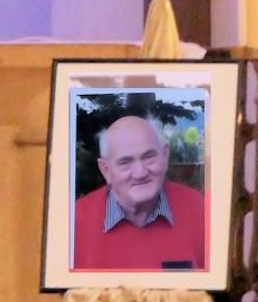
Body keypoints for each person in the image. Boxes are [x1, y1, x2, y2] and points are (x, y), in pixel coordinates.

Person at [72, 114, 208, 271]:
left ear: (165, 156)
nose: (140, 173)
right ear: (106, 170)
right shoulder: (74, 223)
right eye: (125, 162)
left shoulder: (202, 212)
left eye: (149, 157)